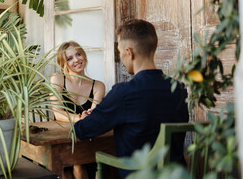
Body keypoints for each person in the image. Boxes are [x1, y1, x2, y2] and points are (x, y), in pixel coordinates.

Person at [74, 19, 189, 178]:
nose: (121, 57)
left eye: (120, 51)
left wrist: (81, 120)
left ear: (129, 52)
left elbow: (83, 131)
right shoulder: (179, 89)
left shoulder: (124, 93)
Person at [50, 41, 105, 179]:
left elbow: (94, 115)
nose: (76, 60)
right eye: (70, 58)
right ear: (63, 63)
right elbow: (57, 113)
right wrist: (80, 118)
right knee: (68, 167)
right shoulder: (58, 79)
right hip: (61, 141)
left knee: (78, 164)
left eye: (78, 54)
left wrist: (88, 117)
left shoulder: (98, 86)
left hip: (86, 141)